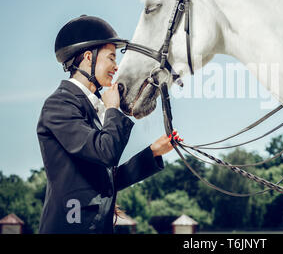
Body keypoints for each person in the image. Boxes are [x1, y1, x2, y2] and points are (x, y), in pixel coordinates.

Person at [36, 15, 181, 234]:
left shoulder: (90, 108)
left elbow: (106, 183)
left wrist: (152, 153)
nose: (116, 66)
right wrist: (112, 110)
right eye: (111, 58)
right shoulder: (59, 105)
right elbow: (106, 153)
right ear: (88, 57)